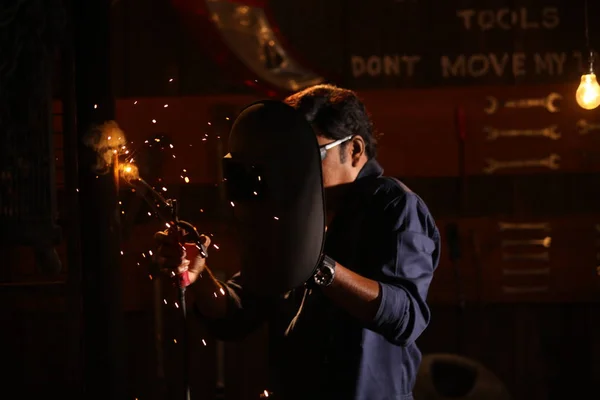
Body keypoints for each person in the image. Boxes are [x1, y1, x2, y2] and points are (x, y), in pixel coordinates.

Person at [155, 84, 441, 400]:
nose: (294, 169)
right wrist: (197, 275)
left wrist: (317, 266)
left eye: (308, 155)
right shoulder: (288, 213)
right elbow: (238, 315)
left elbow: (407, 317)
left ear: (355, 150)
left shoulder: (394, 206)